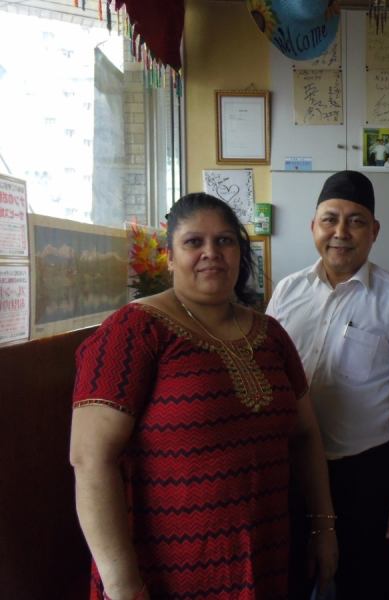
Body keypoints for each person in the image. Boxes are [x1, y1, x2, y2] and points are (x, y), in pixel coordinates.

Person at [70, 193, 337, 600]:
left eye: (225, 241)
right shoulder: (135, 330)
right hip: (169, 571)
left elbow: (305, 434)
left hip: (266, 558)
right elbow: (90, 458)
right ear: (170, 256)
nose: (212, 253)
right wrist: (121, 584)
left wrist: (323, 527)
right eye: (194, 242)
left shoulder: (270, 334)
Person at [267, 171, 389, 600]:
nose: (341, 233)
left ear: (374, 232)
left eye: (356, 221)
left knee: (364, 586)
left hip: (364, 478)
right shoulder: (286, 293)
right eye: (330, 219)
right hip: (290, 473)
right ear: (313, 226)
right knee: (288, 581)